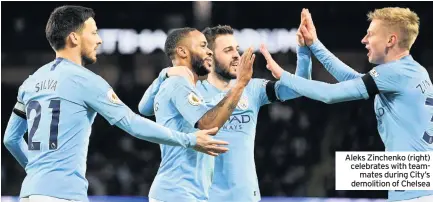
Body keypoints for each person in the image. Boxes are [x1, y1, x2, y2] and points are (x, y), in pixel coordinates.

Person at [3, 6, 228, 202]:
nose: (99, 39)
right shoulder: (86, 81)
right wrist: (188, 139)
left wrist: (37, 172)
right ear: (74, 38)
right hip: (64, 195)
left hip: (30, 193)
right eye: (93, 33)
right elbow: (132, 123)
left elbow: (11, 139)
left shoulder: (31, 82)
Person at [139, 14, 312, 202]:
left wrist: (304, 50)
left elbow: (299, 88)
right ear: (210, 56)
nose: (237, 55)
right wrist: (165, 75)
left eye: (237, 49)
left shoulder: (252, 88)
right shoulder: (190, 90)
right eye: (228, 50)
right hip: (204, 196)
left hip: (245, 196)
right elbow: (146, 108)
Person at [266, 8, 433, 202]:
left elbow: (329, 94)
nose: (364, 40)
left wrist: (283, 76)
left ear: (391, 40)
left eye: (370, 34)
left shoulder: (395, 73)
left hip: (415, 195)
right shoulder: (411, 71)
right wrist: (315, 45)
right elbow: (352, 80)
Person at [146, 27, 255, 202]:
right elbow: (207, 125)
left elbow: (144, 108)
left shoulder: (179, 85)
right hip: (178, 194)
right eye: (203, 46)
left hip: (183, 193)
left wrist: (163, 74)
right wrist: (240, 84)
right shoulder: (178, 85)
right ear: (182, 51)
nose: (209, 52)